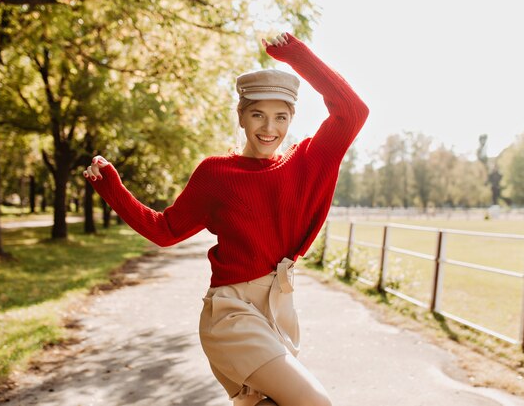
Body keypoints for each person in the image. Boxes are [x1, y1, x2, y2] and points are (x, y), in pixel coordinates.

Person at [83, 32, 369, 406]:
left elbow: (353, 111)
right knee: (316, 403)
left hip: (279, 310)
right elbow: (164, 230)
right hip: (231, 313)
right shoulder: (215, 174)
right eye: (258, 115)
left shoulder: (310, 161)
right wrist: (112, 188)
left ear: (291, 118)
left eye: (280, 117)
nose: (269, 128)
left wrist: (295, 54)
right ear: (241, 116)